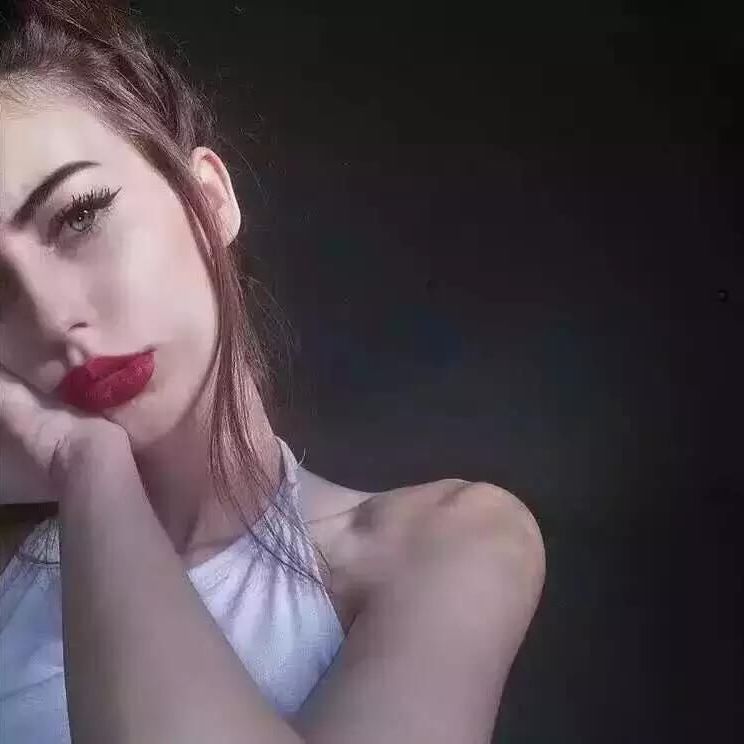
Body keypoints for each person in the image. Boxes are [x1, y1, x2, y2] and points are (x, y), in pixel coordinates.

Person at [0, 2, 546, 742]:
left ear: (209, 200)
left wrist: (90, 465)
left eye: (79, 216)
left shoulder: (442, 543)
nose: (52, 315)